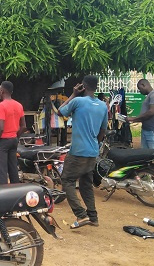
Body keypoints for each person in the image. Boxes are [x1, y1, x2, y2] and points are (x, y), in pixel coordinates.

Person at [58, 75, 107, 229]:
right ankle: (93, 217)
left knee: (67, 181)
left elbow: (60, 111)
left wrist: (73, 94)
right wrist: (94, 144)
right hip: (92, 151)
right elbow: (103, 131)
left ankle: (81, 215)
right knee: (86, 184)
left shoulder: (78, 101)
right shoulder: (103, 106)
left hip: (78, 151)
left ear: (83, 86)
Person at [0, 81, 25, 184]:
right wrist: (16, 136)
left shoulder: (1, 106)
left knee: (2, 171)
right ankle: (15, 192)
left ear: (2, 91)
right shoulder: (19, 105)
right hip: (13, 140)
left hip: (2, 141)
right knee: (13, 168)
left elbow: (1, 128)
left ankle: (3, 195)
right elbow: (23, 126)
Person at [127, 79, 154, 155]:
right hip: (147, 131)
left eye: (139, 88)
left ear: (143, 85)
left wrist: (133, 119)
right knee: (147, 157)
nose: (139, 91)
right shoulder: (149, 96)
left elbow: (151, 112)